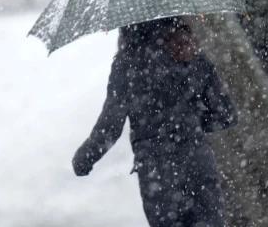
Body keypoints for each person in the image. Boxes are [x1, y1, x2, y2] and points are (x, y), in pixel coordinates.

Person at [72, 16, 238, 227]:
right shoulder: (192, 56)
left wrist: (84, 158)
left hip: (158, 171)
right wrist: (192, 123)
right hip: (198, 162)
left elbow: (110, 126)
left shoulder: (127, 65)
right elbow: (227, 115)